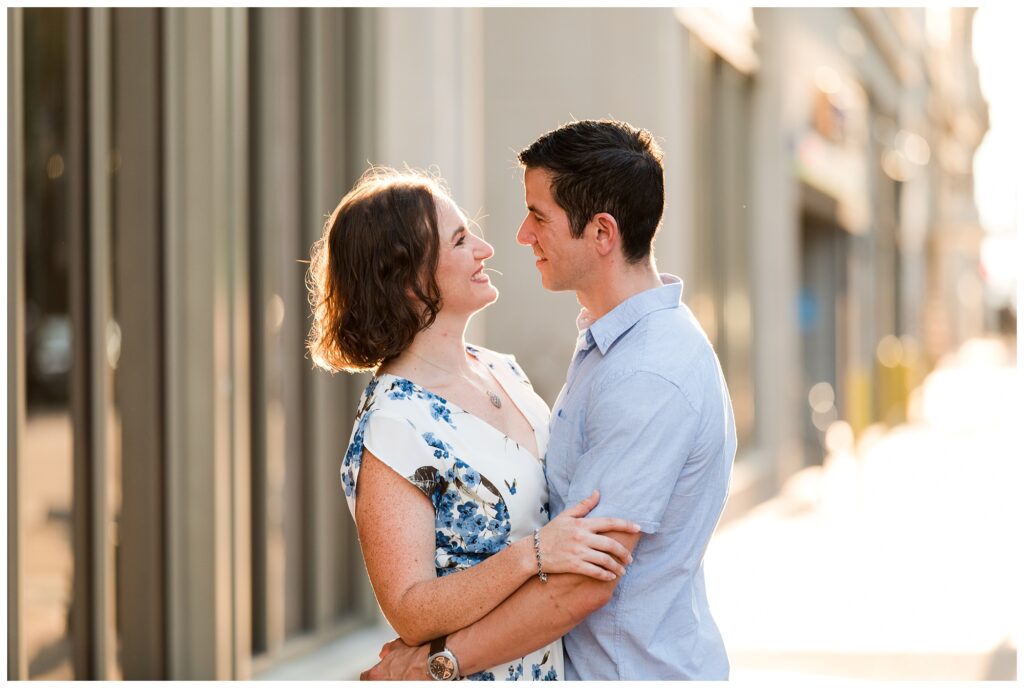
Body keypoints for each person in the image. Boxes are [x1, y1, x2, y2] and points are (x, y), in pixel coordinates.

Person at [361, 120, 736, 680]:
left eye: (539, 216)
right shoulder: (610, 345)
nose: (519, 235)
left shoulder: (648, 375)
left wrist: (440, 662)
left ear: (602, 233)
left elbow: (585, 579)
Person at [306, 167, 641, 681]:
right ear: (409, 278)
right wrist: (534, 553)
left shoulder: (503, 369)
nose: (486, 249)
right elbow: (410, 609)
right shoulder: (394, 425)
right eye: (461, 240)